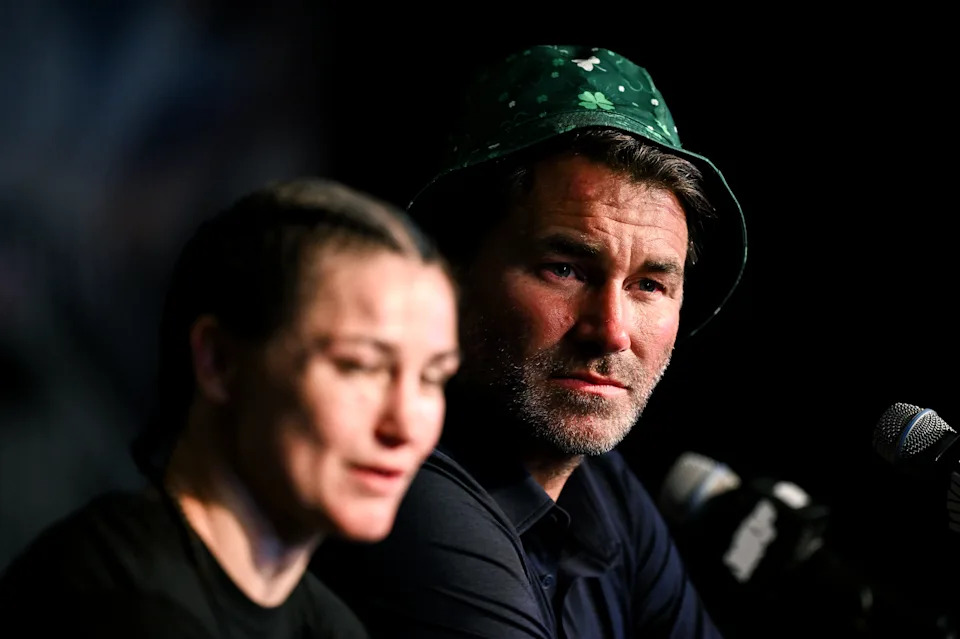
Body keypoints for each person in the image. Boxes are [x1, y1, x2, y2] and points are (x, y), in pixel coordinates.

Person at [310, 44, 748, 638]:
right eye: (565, 269)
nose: (612, 331)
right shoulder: (404, 483)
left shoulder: (604, 489)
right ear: (451, 274)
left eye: (649, 284)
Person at [0, 178, 462, 637]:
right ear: (219, 362)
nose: (405, 424)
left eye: (432, 378)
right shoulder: (114, 601)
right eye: (359, 366)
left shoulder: (330, 625)